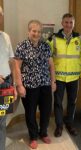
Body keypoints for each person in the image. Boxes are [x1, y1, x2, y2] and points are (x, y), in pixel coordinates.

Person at [15, 20, 56, 149]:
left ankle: (43, 133)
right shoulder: (22, 46)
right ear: (29, 31)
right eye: (34, 31)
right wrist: (19, 85)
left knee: (46, 111)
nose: (37, 34)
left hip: (45, 84)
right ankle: (33, 136)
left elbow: (51, 65)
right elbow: (17, 68)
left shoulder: (45, 46)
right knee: (30, 112)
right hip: (29, 86)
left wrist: (53, 81)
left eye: (39, 31)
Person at [47, 13, 81, 137]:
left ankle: (69, 123)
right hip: (58, 77)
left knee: (72, 102)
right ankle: (59, 125)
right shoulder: (53, 38)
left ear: (74, 24)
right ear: (62, 23)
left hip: (74, 77)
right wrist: (50, 76)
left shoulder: (79, 38)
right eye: (66, 22)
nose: (68, 25)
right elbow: (48, 58)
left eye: (71, 22)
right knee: (58, 103)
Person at [0, 6, 17, 150]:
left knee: (2, 120)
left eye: (0, 15)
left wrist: (15, 84)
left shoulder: (5, 36)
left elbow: (12, 61)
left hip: (5, 84)